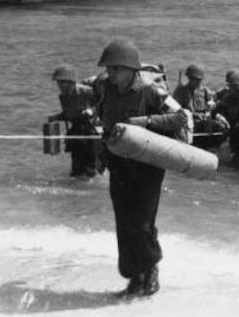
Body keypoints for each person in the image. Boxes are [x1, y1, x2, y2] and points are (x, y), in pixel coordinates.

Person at [95, 39, 192, 298]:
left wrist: (146, 120)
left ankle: (150, 270)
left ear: (130, 69)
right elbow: (103, 121)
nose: (111, 74)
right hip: (118, 163)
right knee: (124, 224)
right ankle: (133, 277)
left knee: (142, 224)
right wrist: (101, 155)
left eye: (115, 69)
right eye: (109, 69)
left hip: (147, 165)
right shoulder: (106, 89)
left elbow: (181, 116)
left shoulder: (151, 90)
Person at [48, 64, 103, 178]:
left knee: (89, 167)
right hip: (76, 130)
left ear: (71, 81)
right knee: (76, 168)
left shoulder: (86, 91)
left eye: (63, 82)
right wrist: (56, 117)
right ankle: (76, 190)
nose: (60, 85)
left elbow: (103, 104)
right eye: (59, 82)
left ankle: (89, 189)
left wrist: (91, 111)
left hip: (90, 130)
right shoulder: (63, 96)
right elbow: (69, 114)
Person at [172, 63, 227, 141]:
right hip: (187, 123)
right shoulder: (180, 92)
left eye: (199, 80)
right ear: (189, 78)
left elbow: (212, 103)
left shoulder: (205, 91)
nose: (198, 82)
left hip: (202, 122)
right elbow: (175, 110)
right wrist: (193, 115)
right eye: (195, 80)